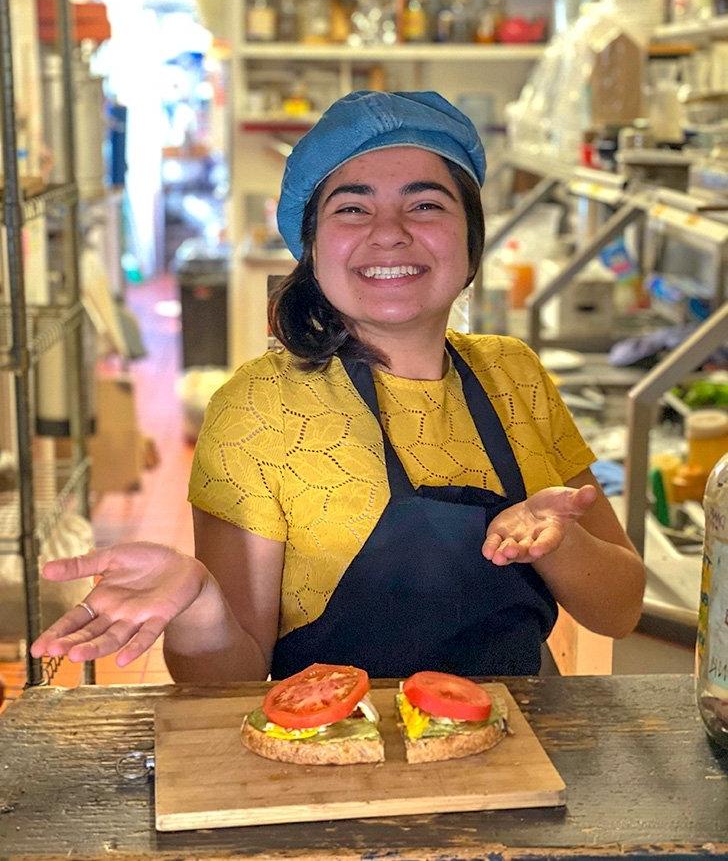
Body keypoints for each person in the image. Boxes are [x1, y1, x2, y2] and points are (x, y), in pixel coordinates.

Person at [31, 90, 645, 682]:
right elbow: (224, 681)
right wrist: (199, 604)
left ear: (470, 238)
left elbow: (619, 610)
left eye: (425, 204)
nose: (389, 232)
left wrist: (558, 545)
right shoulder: (259, 410)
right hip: (331, 756)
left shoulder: (515, 375)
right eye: (352, 208)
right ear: (314, 247)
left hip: (519, 748)